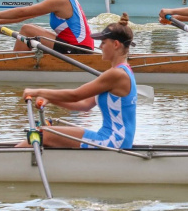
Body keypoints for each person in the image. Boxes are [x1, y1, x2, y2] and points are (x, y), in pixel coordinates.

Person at [18, 13, 137, 149]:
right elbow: (84, 104)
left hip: (113, 141)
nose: (100, 47)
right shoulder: (122, 71)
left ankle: (7, 162)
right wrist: (50, 98)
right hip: (112, 138)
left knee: (46, 133)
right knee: (45, 134)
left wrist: (37, 91)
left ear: (116, 44)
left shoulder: (116, 74)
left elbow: (76, 95)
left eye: (103, 42)